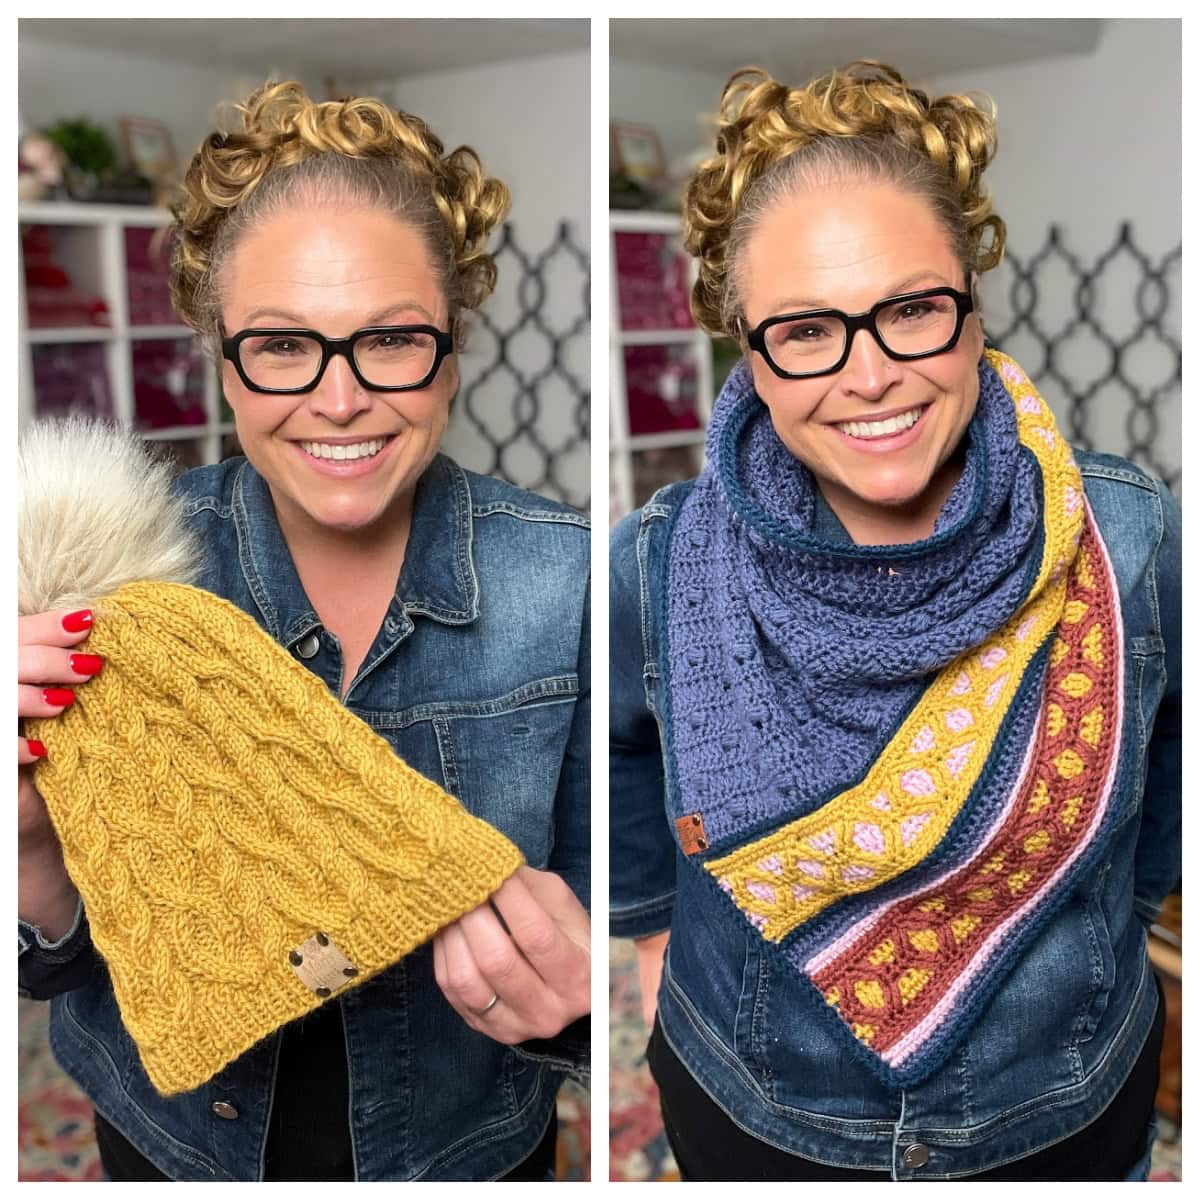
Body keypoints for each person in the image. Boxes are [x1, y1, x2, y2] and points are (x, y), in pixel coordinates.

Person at [610, 61, 1180, 1182]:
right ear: (747, 350)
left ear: (972, 309)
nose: (869, 376)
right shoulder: (658, 560)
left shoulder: (1129, 538)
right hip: (758, 1101)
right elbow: (629, 749)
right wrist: (649, 928)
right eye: (807, 331)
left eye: (913, 311)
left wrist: (1116, 910)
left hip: (1059, 1104)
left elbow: (1167, 768)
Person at [19, 81, 590, 1182]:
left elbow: (620, 935)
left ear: (453, 345)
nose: (338, 399)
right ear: (219, 349)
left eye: (389, 340)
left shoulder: (566, 580)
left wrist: (569, 1009)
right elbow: (64, 970)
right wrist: (33, 838)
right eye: (282, 346)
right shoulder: (115, 590)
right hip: (174, 1147)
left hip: (464, 1155)